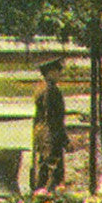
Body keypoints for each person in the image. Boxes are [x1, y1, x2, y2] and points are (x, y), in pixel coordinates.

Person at [30, 57, 69, 190]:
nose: (59, 74)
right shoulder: (51, 90)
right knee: (53, 175)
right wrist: (65, 140)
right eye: (58, 71)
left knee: (43, 172)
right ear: (50, 72)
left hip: (42, 135)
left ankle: (40, 199)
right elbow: (53, 119)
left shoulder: (41, 88)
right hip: (51, 137)